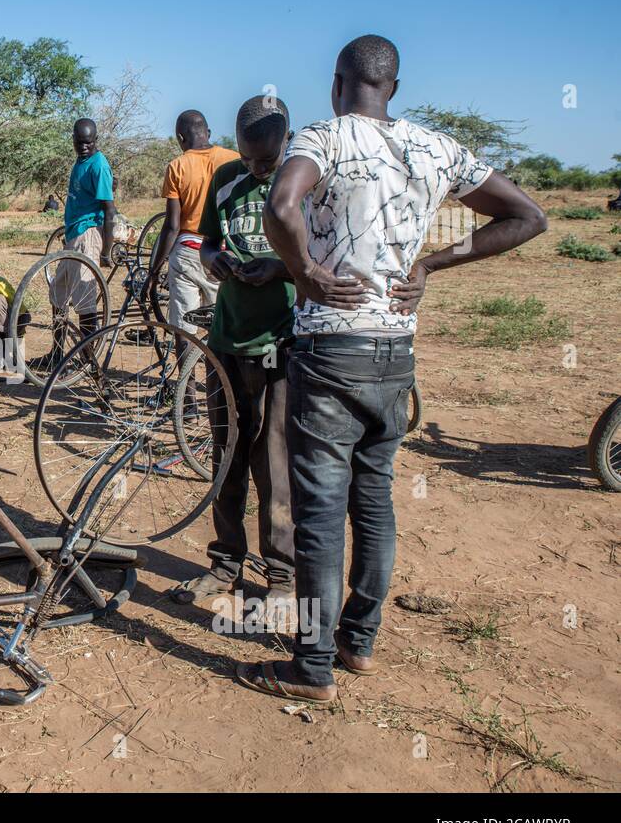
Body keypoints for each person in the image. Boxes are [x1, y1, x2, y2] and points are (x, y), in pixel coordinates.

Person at [237, 34, 547, 704]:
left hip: (329, 351)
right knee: (373, 499)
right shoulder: (437, 148)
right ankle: (359, 640)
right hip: (395, 355)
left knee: (320, 511)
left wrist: (307, 273)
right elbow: (527, 216)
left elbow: (281, 206)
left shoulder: (322, 138)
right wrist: (431, 264)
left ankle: (311, 666)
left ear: (336, 82)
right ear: (393, 89)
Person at [170, 96, 297, 614]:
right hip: (227, 339)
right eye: (247, 158)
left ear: (285, 141)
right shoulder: (225, 177)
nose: (255, 169)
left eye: (265, 161)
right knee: (226, 458)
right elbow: (207, 240)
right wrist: (217, 257)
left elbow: (327, 258)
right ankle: (225, 564)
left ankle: (282, 578)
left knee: (275, 466)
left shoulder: (304, 182)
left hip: (280, 345)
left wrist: (281, 270)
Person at [147, 110, 240, 361]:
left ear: (180, 137)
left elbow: (172, 225)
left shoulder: (178, 166)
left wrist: (154, 272)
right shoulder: (235, 160)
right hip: (225, 253)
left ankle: (186, 398)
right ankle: (222, 390)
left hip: (188, 251)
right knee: (222, 326)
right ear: (208, 133)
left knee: (184, 329)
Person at [40, 118, 114, 368]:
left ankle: (88, 362)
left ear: (95, 141)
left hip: (88, 235)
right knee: (57, 293)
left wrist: (106, 249)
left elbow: (109, 209)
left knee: (85, 301)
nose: (84, 147)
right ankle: (57, 353)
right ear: (73, 140)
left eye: (88, 143)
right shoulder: (80, 161)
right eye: (80, 143)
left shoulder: (98, 165)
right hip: (73, 235)